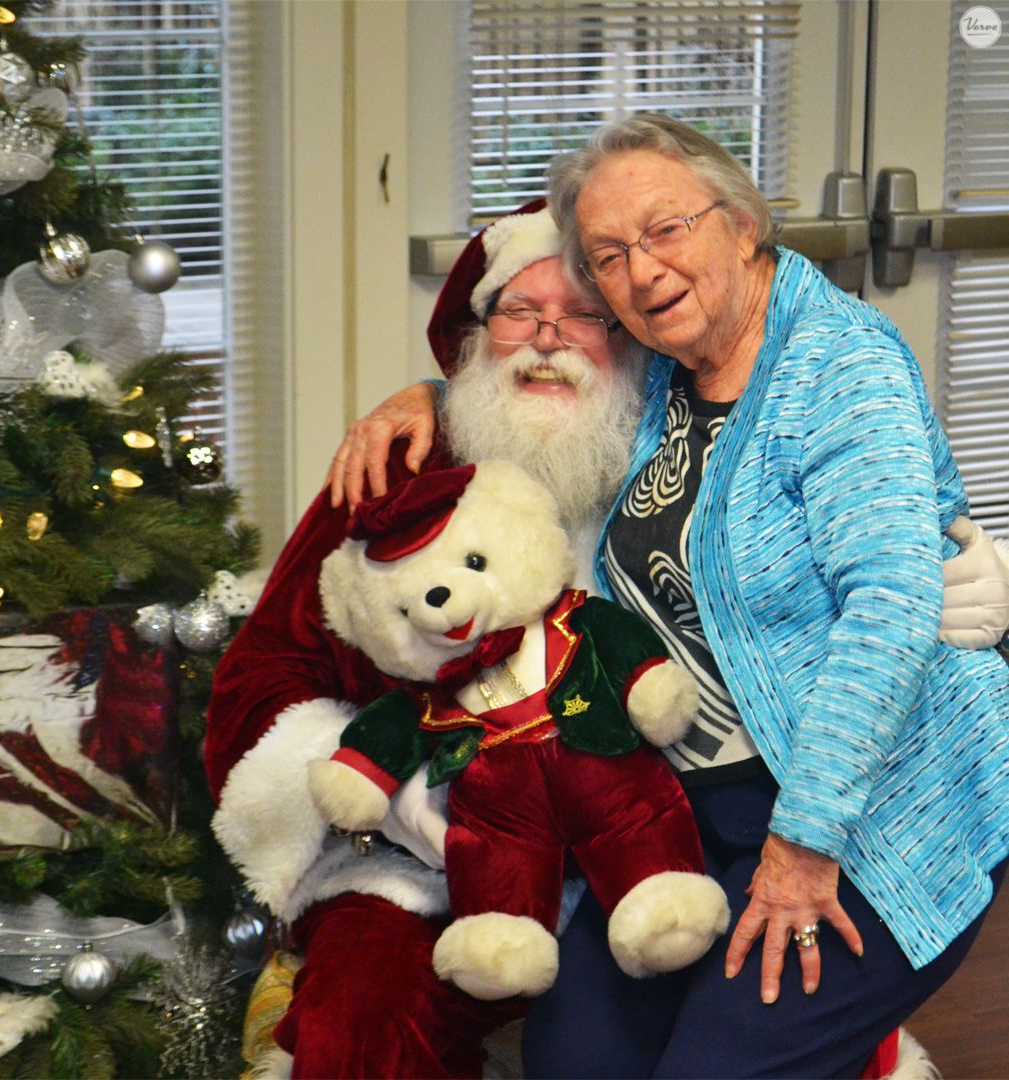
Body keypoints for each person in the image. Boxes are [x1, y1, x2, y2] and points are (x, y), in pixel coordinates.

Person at [325, 114, 1009, 1079]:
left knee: (719, 1067)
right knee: (574, 1057)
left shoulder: (842, 370)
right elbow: (544, 378)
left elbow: (888, 614)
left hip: (865, 811)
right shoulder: (670, 370)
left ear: (741, 224)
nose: (642, 271)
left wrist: (805, 843)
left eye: (666, 230)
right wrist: (427, 399)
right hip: (693, 809)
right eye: (609, 255)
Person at [205, 204, 649, 1079]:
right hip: (415, 872)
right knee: (358, 1022)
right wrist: (403, 796)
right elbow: (264, 675)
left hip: (632, 851)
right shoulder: (402, 468)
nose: (546, 340)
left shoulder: (681, 468)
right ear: (473, 339)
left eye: (583, 315)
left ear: (627, 335)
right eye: (517, 311)